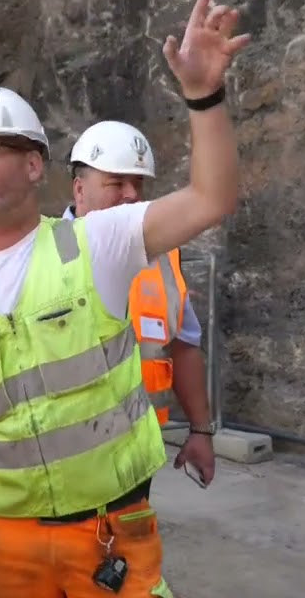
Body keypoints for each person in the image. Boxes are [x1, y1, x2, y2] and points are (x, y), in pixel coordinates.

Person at [0, 0, 248, 598]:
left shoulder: (96, 244)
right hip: (3, 546)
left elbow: (211, 198)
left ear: (35, 166)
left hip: (108, 536)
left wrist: (203, 96)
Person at [64, 120, 217, 486]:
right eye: (117, 183)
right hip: (62, 458)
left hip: (138, 455)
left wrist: (200, 430)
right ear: (80, 189)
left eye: (138, 183)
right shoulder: (44, 255)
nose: (132, 195)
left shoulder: (163, 259)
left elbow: (184, 346)